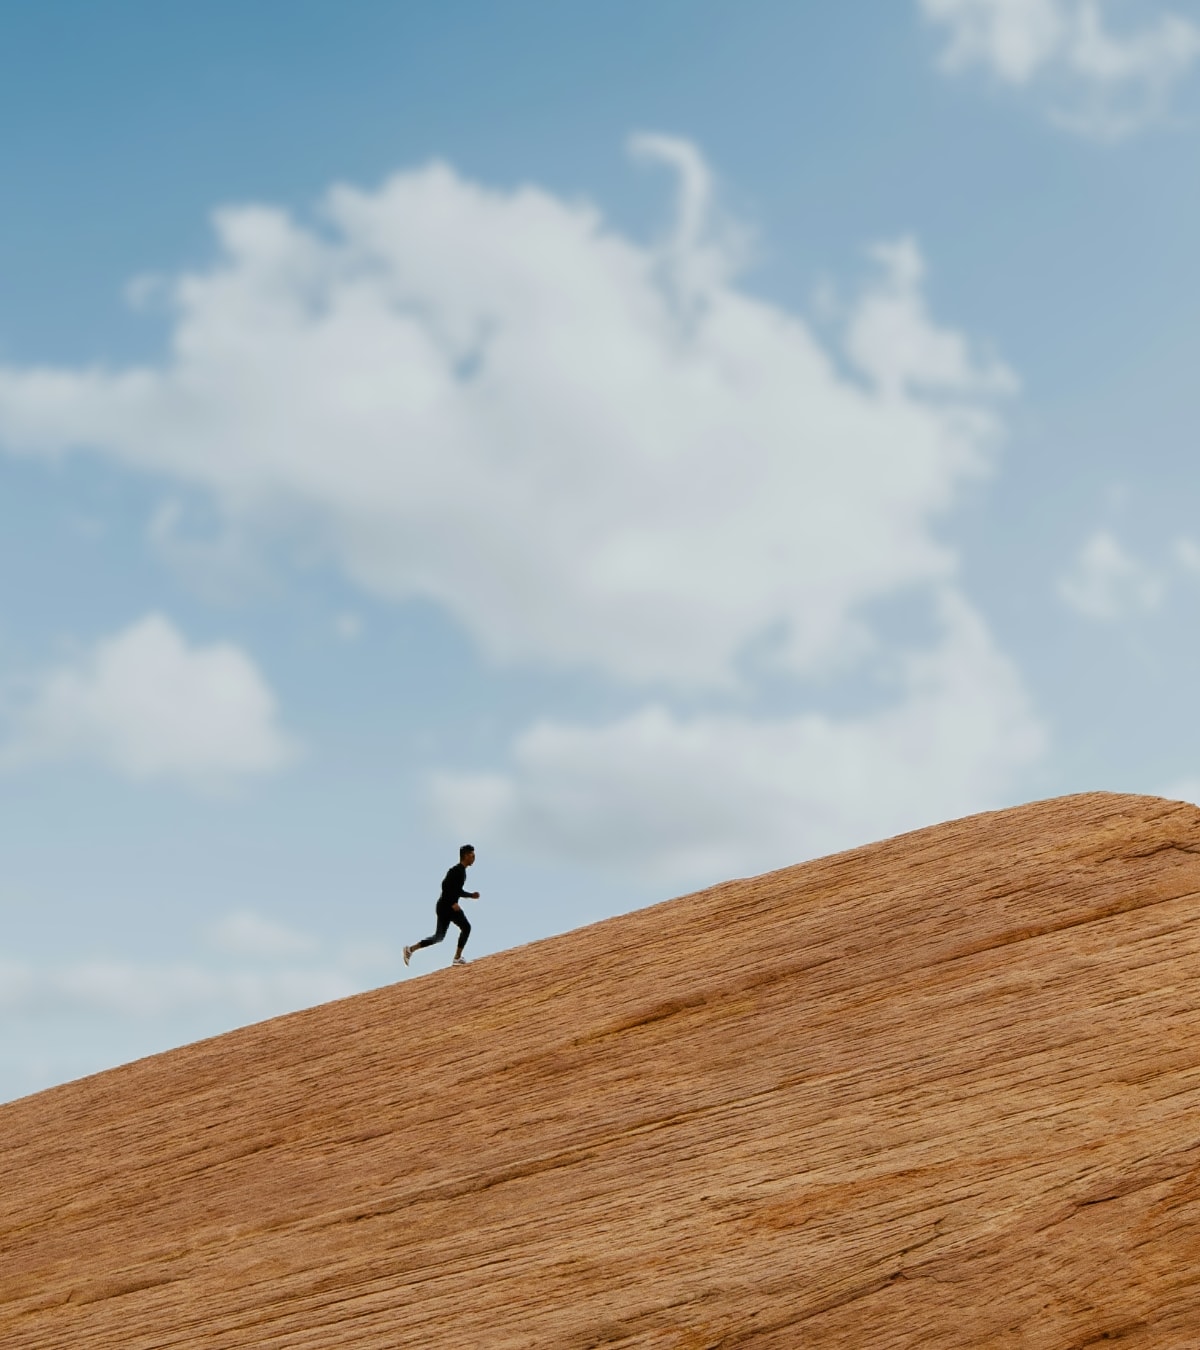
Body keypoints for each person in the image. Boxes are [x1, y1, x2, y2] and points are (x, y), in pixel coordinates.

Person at [403, 844, 480, 968]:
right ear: (466, 855)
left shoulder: (462, 872)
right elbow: (444, 886)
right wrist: (452, 903)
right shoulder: (456, 871)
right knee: (466, 927)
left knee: (439, 937)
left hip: (445, 906)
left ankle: (410, 949)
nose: (474, 857)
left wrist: (471, 895)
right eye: (472, 855)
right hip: (446, 906)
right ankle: (457, 958)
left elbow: (457, 890)